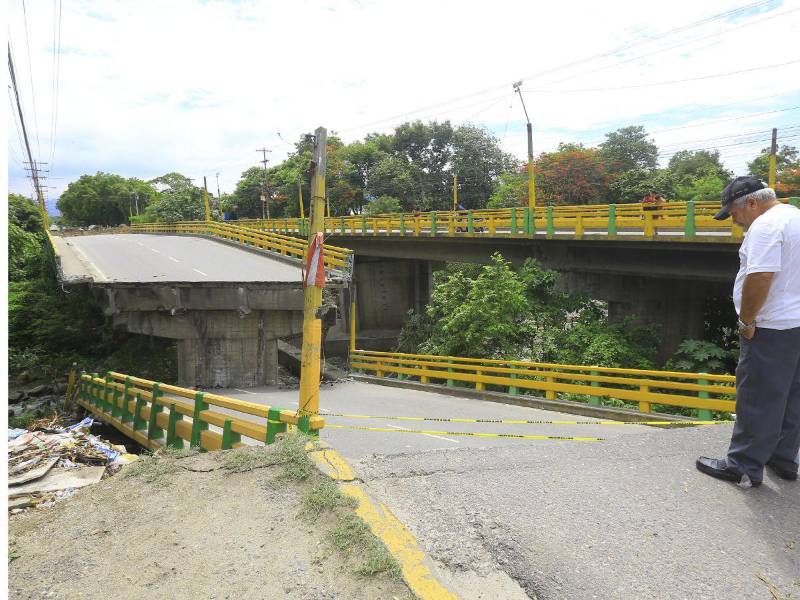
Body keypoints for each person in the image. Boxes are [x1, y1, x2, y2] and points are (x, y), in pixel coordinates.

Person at [696, 176, 800, 488]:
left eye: (735, 213)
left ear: (752, 203)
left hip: (772, 327)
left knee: (758, 396)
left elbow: (760, 276)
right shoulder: (795, 217)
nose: (735, 221)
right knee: (792, 395)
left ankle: (742, 465)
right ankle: (783, 460)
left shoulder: (766, 227)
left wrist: (747, 320)